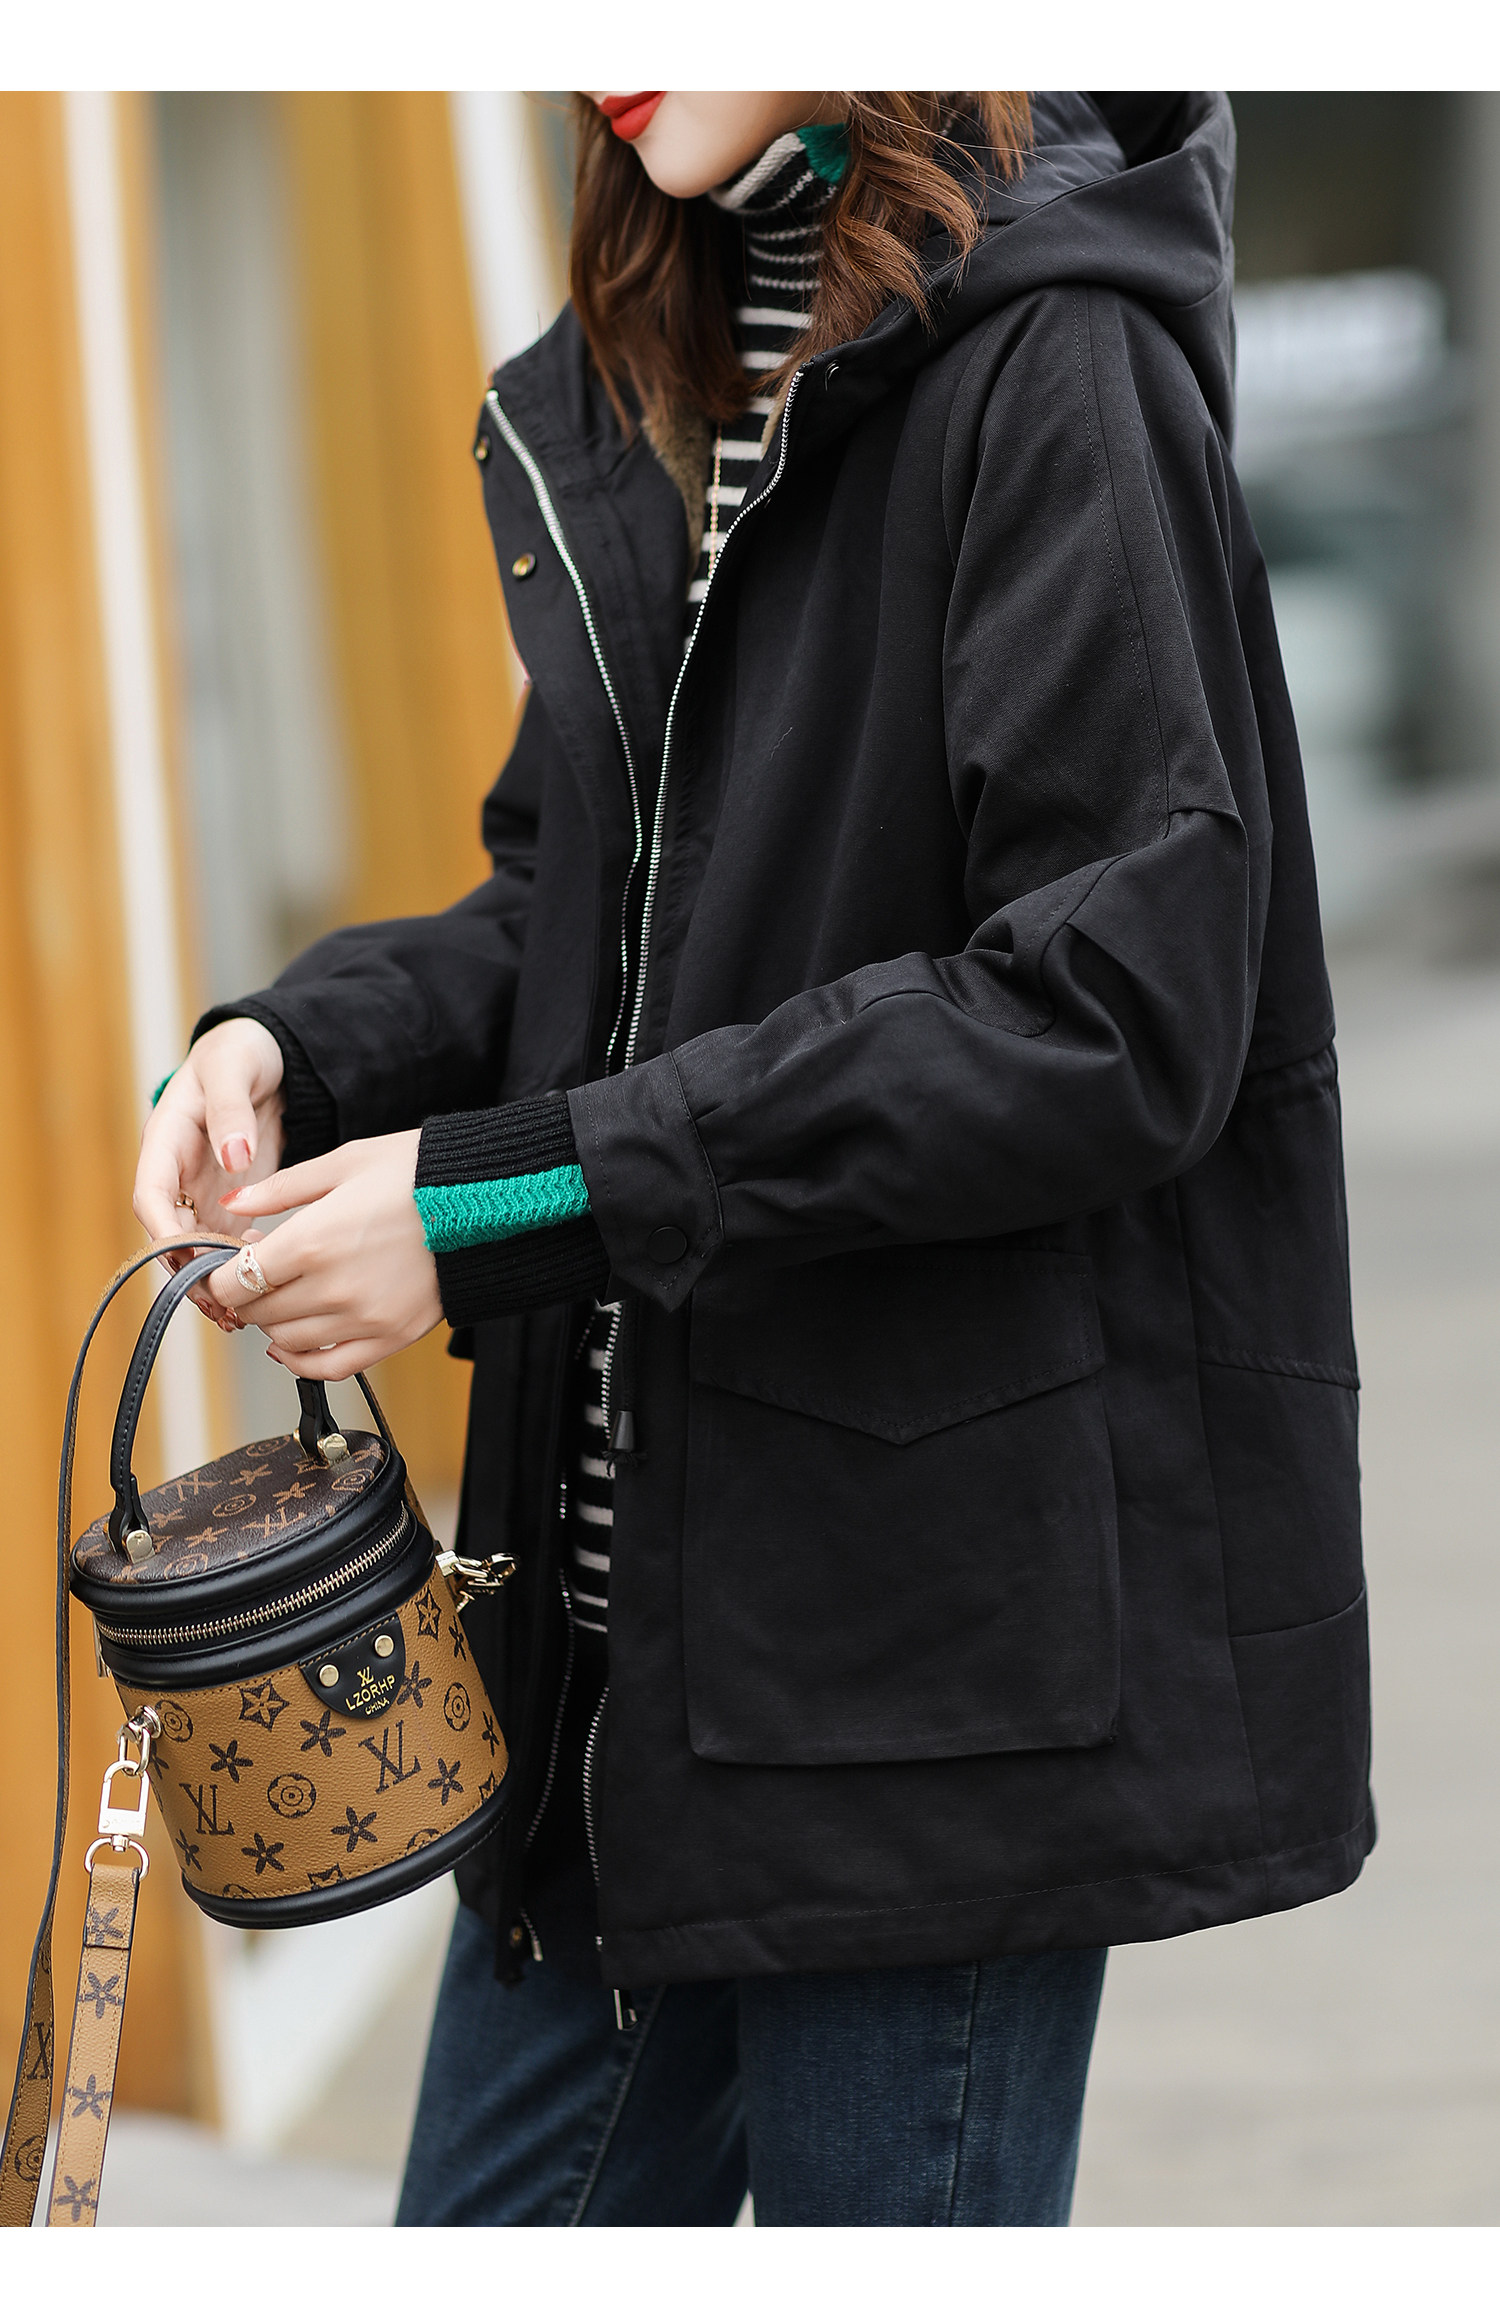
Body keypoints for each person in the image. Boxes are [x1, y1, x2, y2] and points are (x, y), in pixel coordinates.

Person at [135, 91, 1373, 2227]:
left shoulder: (1059, 357)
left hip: (919, 1687)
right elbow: (581, 906)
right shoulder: (668, 354)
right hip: (607, 1679)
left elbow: (1108, 1010)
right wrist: (295, 1042)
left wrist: (492, 1203)